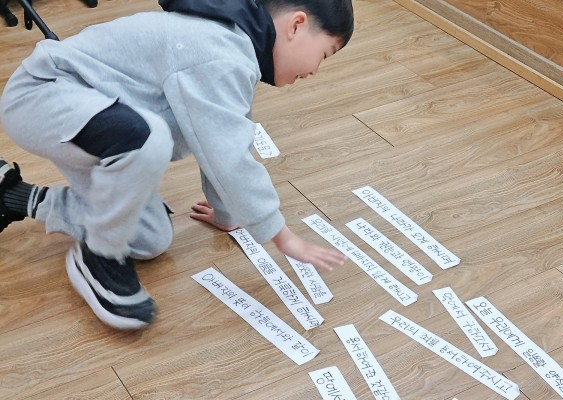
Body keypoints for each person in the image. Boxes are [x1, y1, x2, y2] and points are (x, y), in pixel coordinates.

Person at [0, 0, 353, 330]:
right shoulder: (218, 50)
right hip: (42, 96)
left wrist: (227, 213)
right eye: (324, 54)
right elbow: (228, 157)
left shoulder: (236, 54)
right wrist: (281, 235)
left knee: (151, 239)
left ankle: (16, 195)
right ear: (296, 25)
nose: (314, 70)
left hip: (102, 134)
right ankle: (99, 256)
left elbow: (225, 137)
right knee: (149, 138)